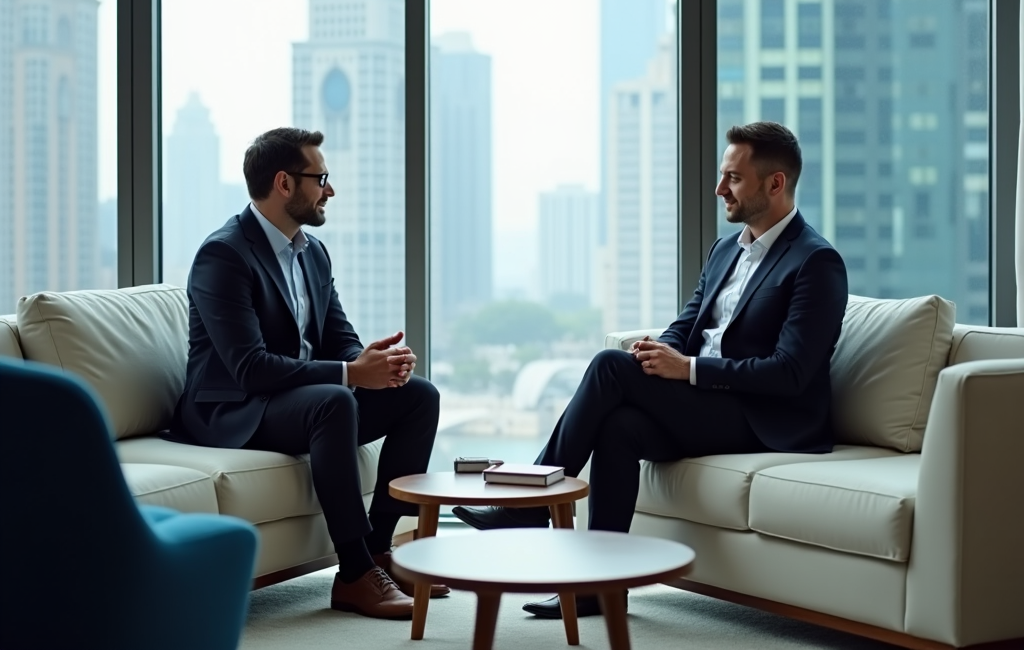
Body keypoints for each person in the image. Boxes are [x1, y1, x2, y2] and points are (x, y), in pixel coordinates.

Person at [454, 121, 849, 620]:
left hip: (766, 418)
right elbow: (687, 323)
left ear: (775, 184)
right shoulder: (725, 248)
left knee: (608, 367)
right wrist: (658, 354)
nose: (719, 188)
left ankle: (528, 501)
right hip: (708, 404)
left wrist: (687, 370)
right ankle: (598, 586)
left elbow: (789, 372)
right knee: (619, 428)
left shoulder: (816, 261)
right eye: (722, 176)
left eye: (733, 178)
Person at [170, 127, 444, 620]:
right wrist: (349, 374)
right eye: (321, 178)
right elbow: (249, 368)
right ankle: (355, 573)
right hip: (233, 407)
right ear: (284, 183)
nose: (330, 190)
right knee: (334, 400)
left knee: (418, 396)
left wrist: (373, 363)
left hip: (295, 401)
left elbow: (339, 337)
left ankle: (379, 551)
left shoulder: (312, 252)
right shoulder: (224, 255)